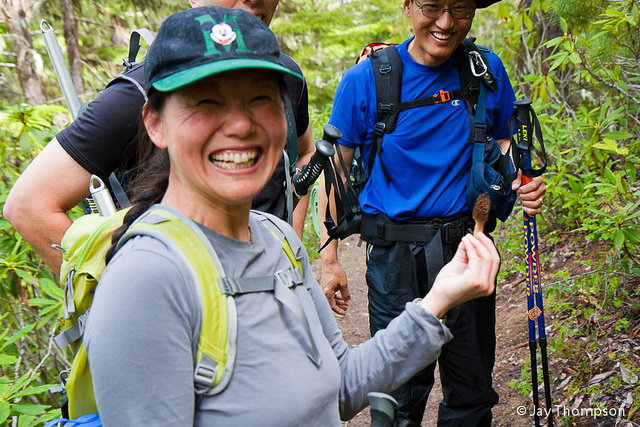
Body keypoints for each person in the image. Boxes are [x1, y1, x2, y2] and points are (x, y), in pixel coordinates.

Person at [83, 6, 500, 426]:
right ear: (155, 123)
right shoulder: (147, 279)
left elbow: (340, 385)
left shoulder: (277, 238)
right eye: (206, 102)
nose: (241, 125)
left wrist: (437, 300)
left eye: (260, 98)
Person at [318, 0, 547, 425]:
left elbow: (501, 143)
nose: (445, 23)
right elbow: (336, 169)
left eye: (459, 8)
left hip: (468, 246)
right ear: (408, 6)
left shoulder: (485, 69)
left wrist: (522, 183)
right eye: (432, 7)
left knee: (471, 388)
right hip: (393, 258)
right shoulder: (366, 80)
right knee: (398, 393)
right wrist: (329, 258)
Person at [3, 0, 313, 275]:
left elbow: (304, 152)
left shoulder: (288, 76)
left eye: (260, 99)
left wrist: (291, 247)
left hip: (274, 289)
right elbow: (29, 205)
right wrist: (114, 293)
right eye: (206, 102)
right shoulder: (140, 92)